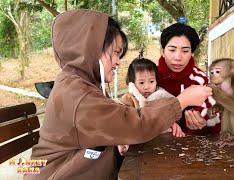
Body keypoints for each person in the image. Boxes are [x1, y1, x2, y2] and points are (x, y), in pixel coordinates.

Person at [24, 10, 212, 180]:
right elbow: (135, 124)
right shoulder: (77, 94)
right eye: (115, 53)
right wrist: (182, 101)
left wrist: (117, 141)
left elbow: (114, 121)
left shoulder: (79, 84)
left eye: (185, 50)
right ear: (91, 49)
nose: (117, 62)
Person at [158, 23, 221, 135]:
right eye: (172, 50)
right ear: (162, 52)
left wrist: (204, 123)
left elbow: (216, 122)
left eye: (185, 51)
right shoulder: (150, 78)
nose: (178, 57)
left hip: (190, 149)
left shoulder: (201, 81)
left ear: (191, 53)